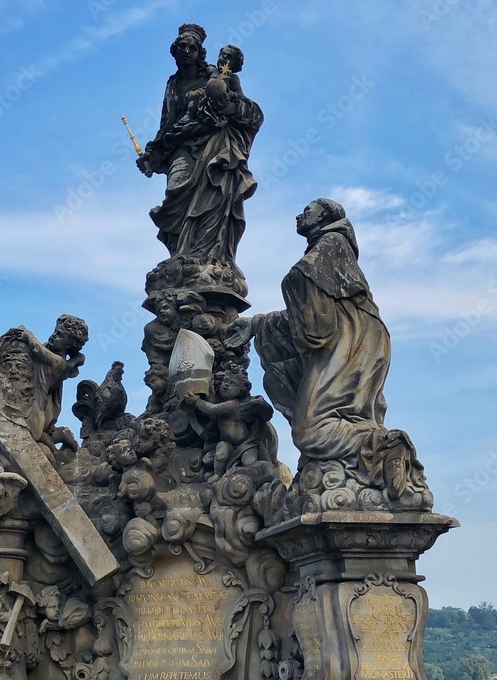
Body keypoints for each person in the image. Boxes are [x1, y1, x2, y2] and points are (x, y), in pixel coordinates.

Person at [226, 199, 429, 503]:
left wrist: (276, 306)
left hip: (350, 341)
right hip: (360, 336)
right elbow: (316, 310)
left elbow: (316, 324)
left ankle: (383, 446)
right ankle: (368, 457)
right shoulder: (333, 249)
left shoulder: (330, 244)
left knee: (310, 428)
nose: (299, 215)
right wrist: (257, 324)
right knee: (342, 416)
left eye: (308, 210)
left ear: (325, 216)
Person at [136, 24, 263, 264]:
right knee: (175, 193)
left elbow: (250, 110)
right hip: (182, 144)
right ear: (174, 51)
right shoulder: (173, 84)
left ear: (200, 53)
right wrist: (152, 155)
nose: (186, 51)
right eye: (181, 47)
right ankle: (180, 254)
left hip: (212, 145)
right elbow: (167, 123)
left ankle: (204, 258)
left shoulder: (216, 76)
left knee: (213, 196)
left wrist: (229, 107)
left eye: (191, 48)